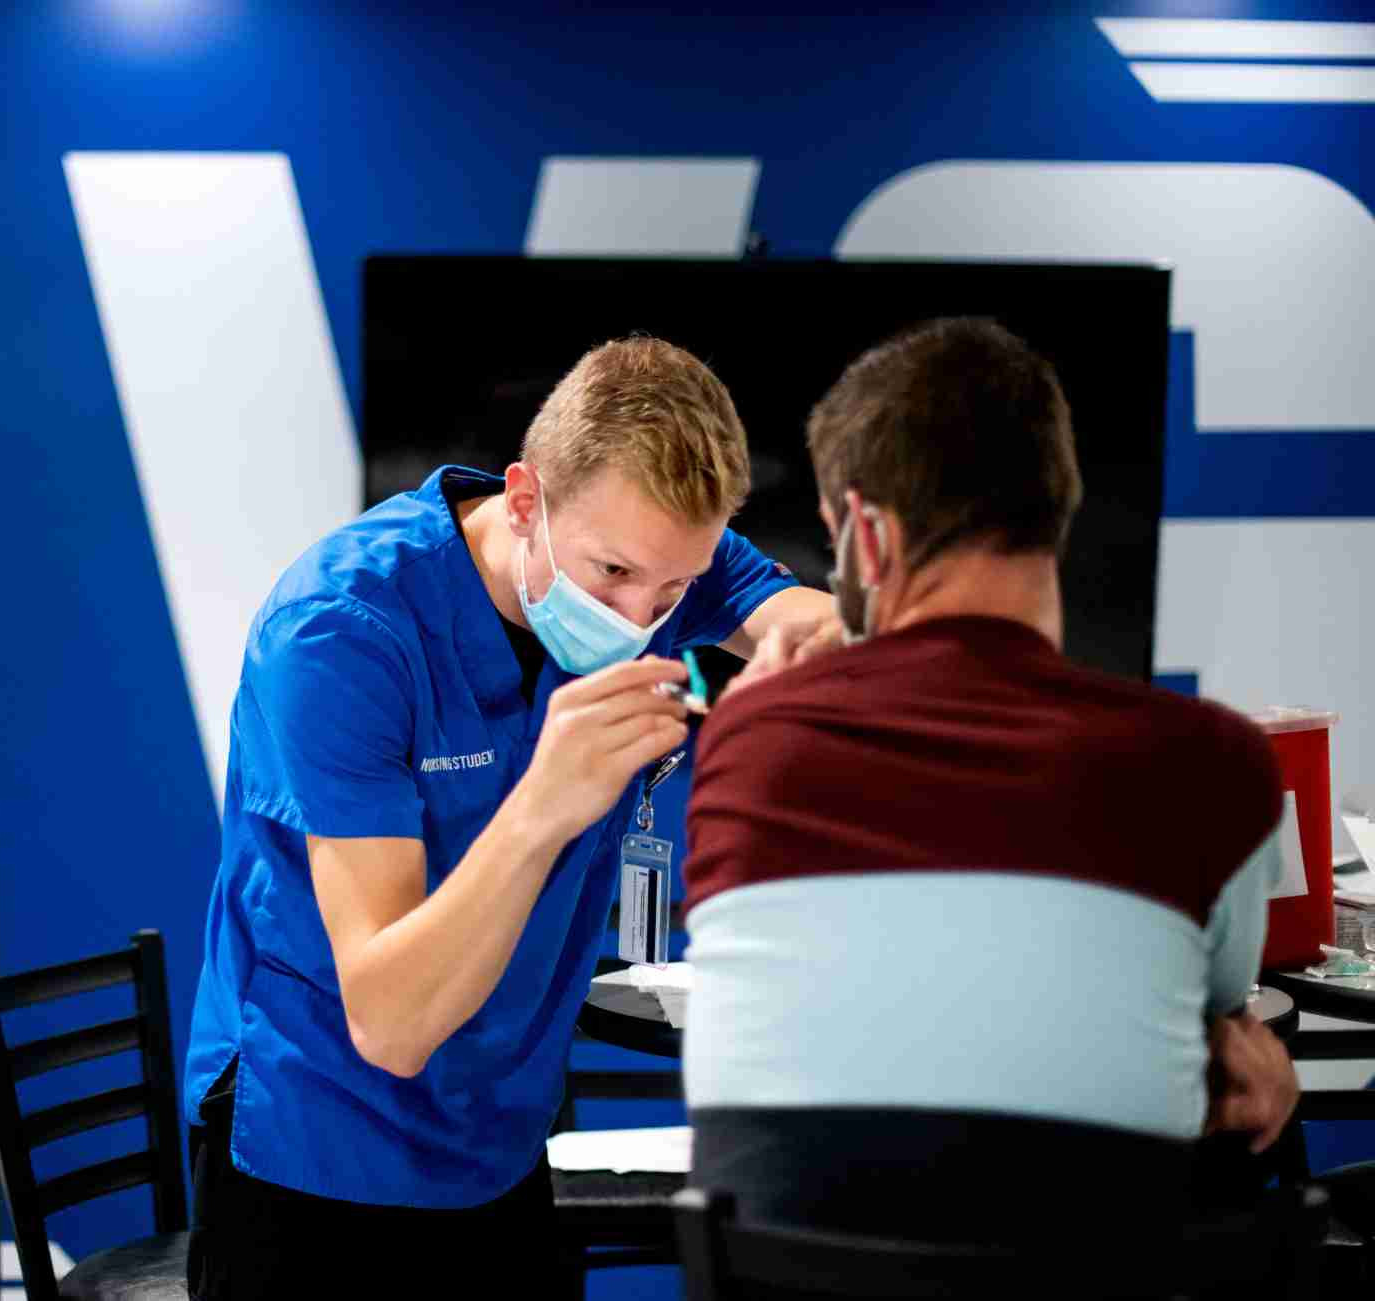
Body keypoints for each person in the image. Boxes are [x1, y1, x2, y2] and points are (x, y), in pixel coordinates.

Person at [182, 336, 836, 1297]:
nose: (639, 616)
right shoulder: (341, 630)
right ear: (526, 499)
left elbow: (817, 634)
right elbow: (390, 1020)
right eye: (611, 573)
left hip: (505, 1133)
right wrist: (543, 802)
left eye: (671, 589)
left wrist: (743, 679)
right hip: (320, 1142)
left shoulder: (658, 550)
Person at [678, 316, 1299, 1241]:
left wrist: (766, 713)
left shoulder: (749, 737)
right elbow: (1221, 1039)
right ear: (1060, 505)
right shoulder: (1219, 766)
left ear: (869, 538)